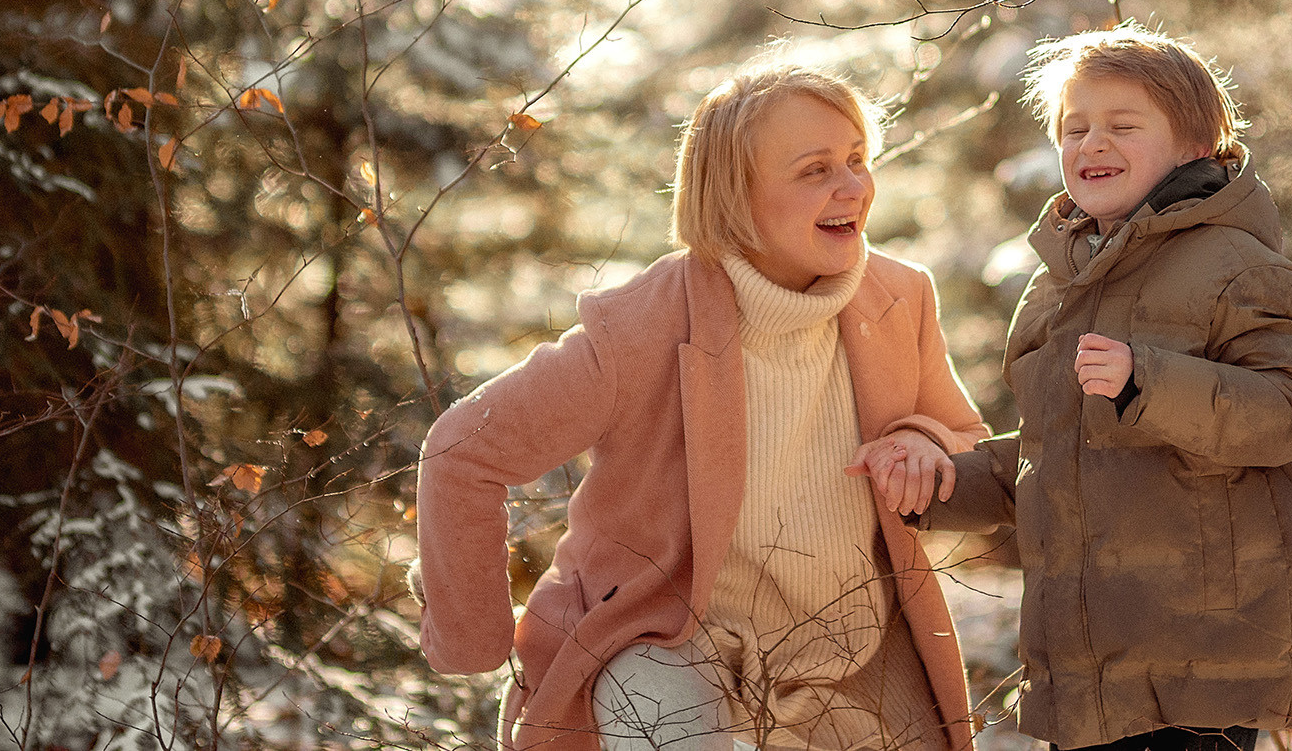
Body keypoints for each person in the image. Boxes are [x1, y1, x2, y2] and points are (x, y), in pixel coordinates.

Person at [412, 64, 990, 751]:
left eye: (858, 159)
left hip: (847, 647)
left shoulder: (901, 297)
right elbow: (462, 451)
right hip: (665, 638)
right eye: (815, 169)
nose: (853, 187)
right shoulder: (640, 326)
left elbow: (966, 440)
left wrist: (924, 441)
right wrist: (475, 641)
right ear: (736, 196)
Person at [918, 26, 1292, 751]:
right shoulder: (1057, 289)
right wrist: (939, 487)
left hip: (1203, 668)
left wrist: (1150, 378)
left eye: (1122, 125)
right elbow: (1058, 459)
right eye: (1074, 128)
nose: (1092, 143)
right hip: (1085, 671)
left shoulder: (1238, 266)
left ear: (1194, 146)